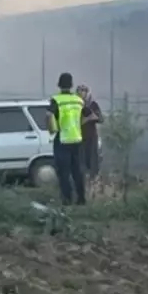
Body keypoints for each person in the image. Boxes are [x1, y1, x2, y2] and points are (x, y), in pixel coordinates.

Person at [47, 72, 86, 206]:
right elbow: (84, 116)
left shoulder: (56, 100)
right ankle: (81, 199)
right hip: (77, 139)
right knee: (77, 171)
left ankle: (67, 200)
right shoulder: (78, 100)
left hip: (63, 139)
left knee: (63, 172)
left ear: (59, 85)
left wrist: (52, 129)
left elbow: (48, 115)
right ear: (71, 85)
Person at [76, 83, 103, 182]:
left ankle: (93, 179)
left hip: (91, 136)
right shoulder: (75, 105)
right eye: (80, 91)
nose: (82, 93)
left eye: (84, 91)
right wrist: (87, 118)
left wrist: (90, 117)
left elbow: (100, 118)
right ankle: (82, 179)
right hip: (79, 136)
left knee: (92, 159)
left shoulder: (93, 105)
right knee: (81, 160)